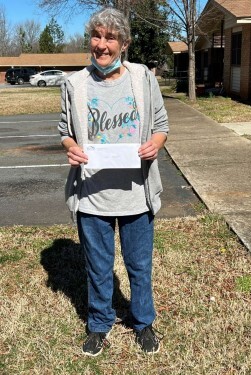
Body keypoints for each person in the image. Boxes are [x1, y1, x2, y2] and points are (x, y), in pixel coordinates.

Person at [58, 7, 168, 356]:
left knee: (139, 266)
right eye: (97, 35)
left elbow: (161, 125)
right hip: (92, 196)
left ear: (124, 43)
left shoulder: (142, 78)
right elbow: (65, 132)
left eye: (111, 37)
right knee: (98, 267)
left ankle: (143, 322)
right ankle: (99, 324)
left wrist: (156, 143)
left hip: (136, 194)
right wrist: (72, 147)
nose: (102, 45)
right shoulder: (74, 84)